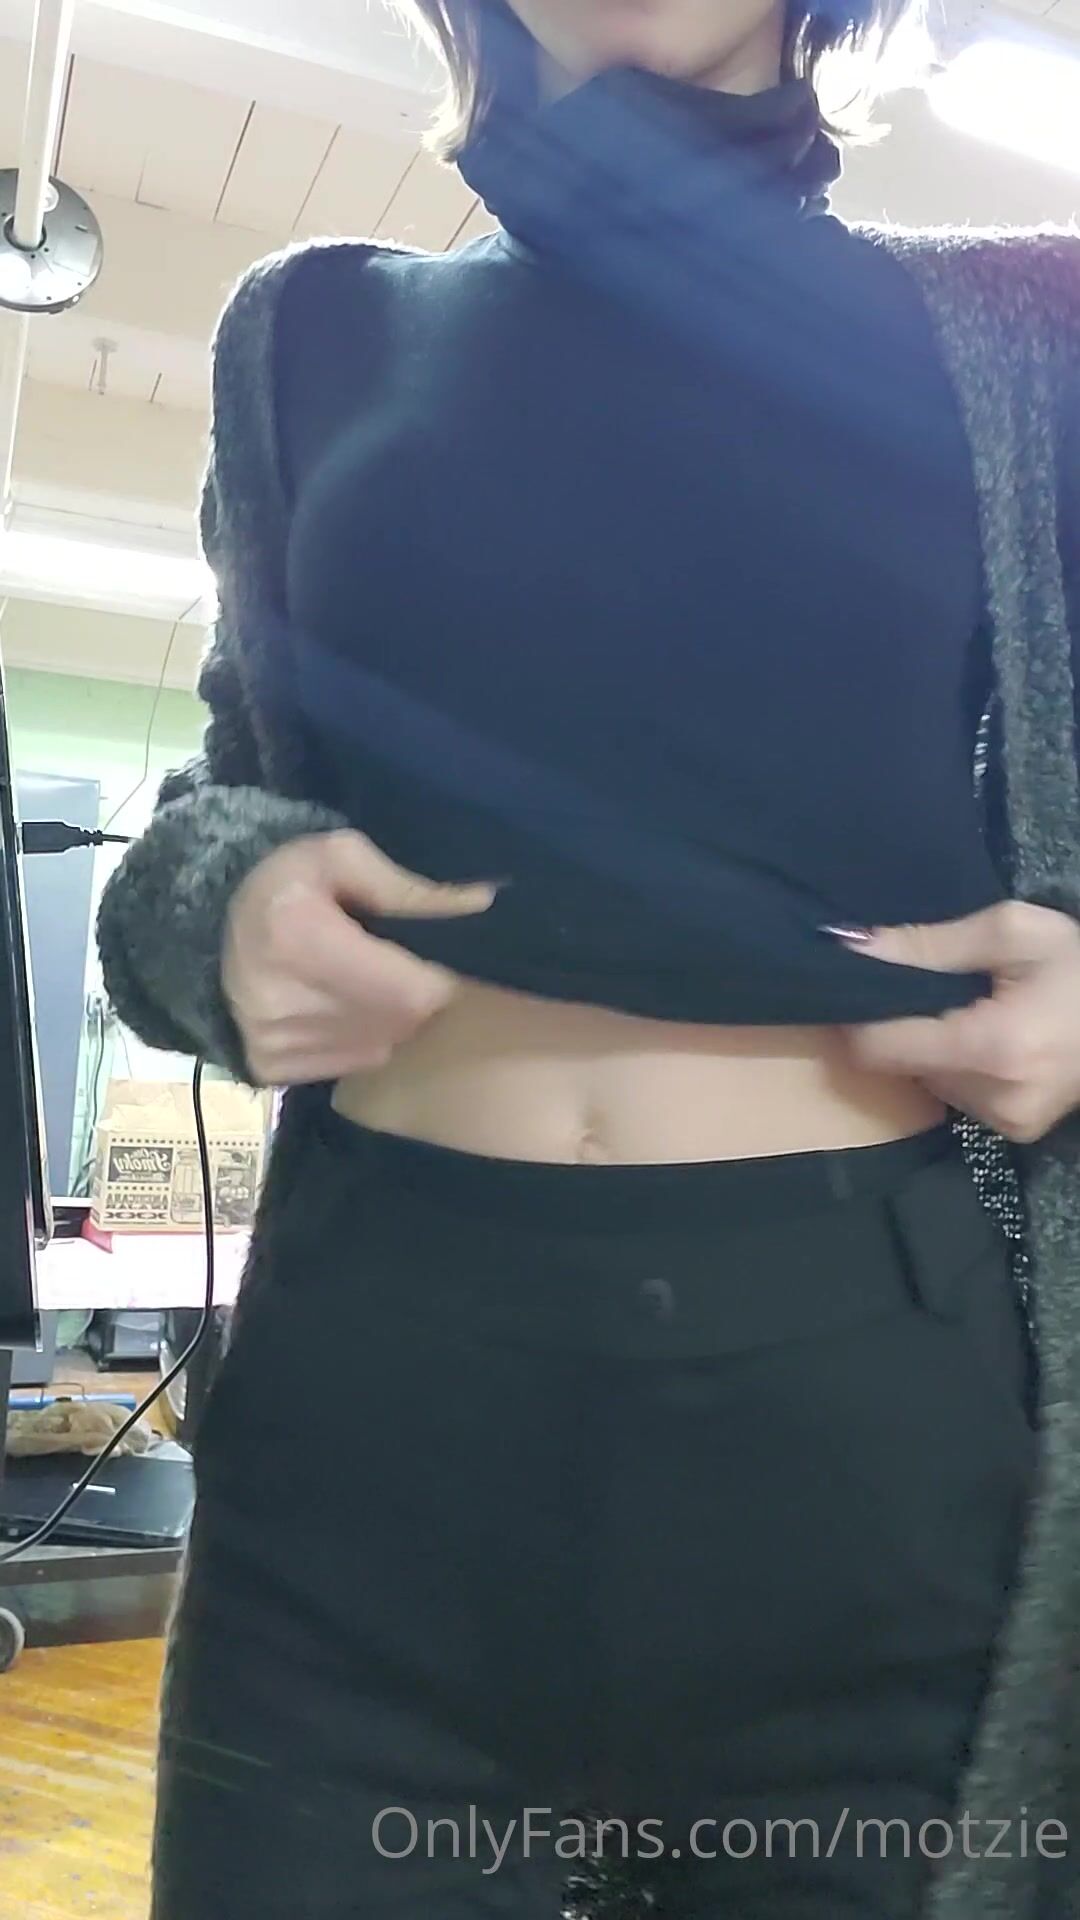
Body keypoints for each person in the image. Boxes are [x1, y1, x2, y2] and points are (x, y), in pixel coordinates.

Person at [96, 0, 1080, 1914]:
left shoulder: (1026, 336)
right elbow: (213, 803)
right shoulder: (308, 331)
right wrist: (224, 903)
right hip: (370, 1421)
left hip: (866, 1429)